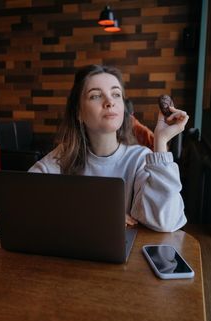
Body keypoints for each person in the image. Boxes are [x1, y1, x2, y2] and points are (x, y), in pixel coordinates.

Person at [29, 64, 189, 232]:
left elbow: (165, 221)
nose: (109, 102)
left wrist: (161, 142)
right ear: (78, 112)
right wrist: (95, 215)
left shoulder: (140, 159)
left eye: (116, 94)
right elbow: (20, 203)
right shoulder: (64, 156)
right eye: (95, 96)